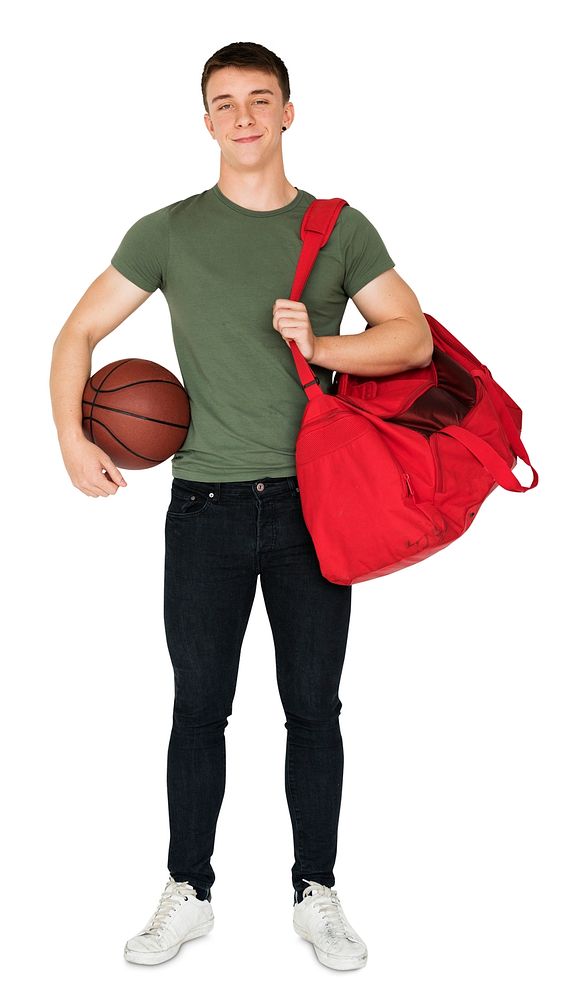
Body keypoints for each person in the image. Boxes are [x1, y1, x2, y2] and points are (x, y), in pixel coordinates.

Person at [49, 41, 433, 972]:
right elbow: (79, 331)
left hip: (313, 509)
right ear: (207, 122)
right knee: (198, 709)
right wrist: (73, 442)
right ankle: (189, 890)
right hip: (204, 509)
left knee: (313, 708)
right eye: (225, 103)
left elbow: (411, 338)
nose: (244, 117)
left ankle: (316, 893)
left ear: (288, 113)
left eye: (261, 100)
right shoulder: (169, 230)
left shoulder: (337, 229)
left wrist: (324, 347)